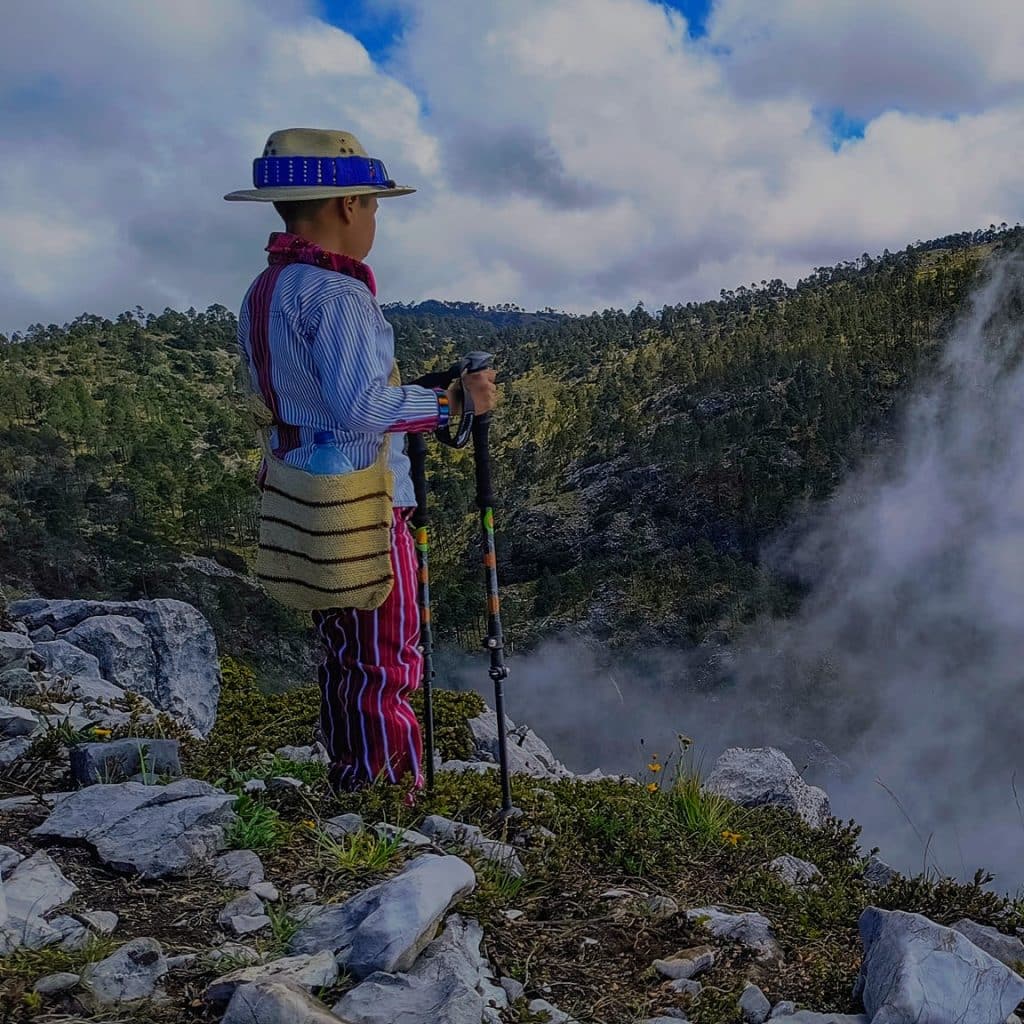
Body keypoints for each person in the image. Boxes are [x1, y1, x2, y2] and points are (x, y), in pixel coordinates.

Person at [224, 128, 497, 801]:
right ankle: (382, 796)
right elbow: (362, 406)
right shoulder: (339, 295)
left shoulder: (266, 289)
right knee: (385, 649)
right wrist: (449, 403)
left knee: (345, 647)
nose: (375, 218)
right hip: (361, 500)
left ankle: (353, 774)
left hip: (299, 491)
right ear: (347, 204)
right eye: (373, 206)